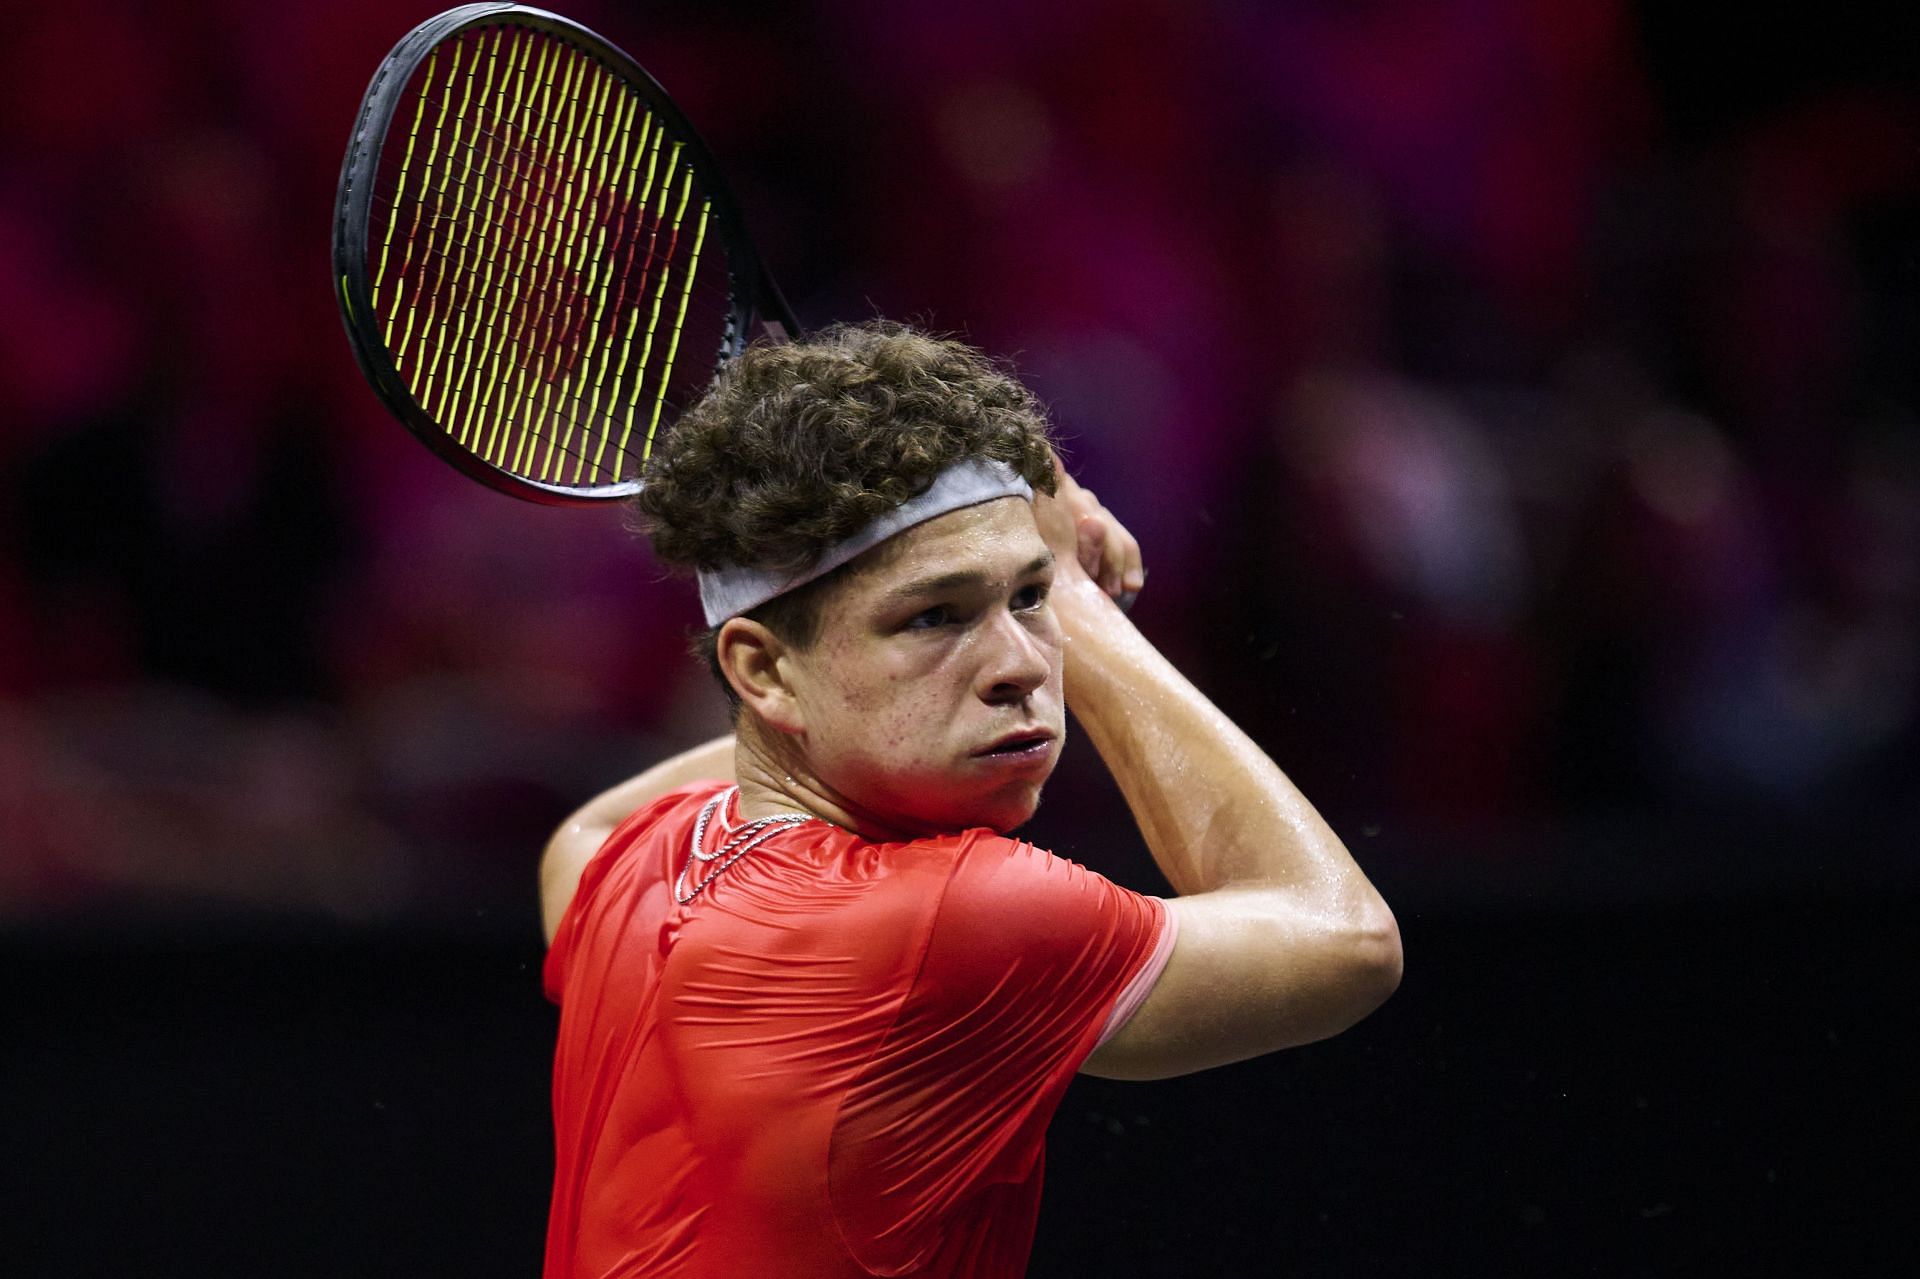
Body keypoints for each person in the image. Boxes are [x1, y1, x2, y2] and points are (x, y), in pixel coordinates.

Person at [536, 322, 1402, 1278]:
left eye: (1024, 600)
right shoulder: (950, 917)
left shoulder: (623, 869)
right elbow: (1345, 939)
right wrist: (1075, 587)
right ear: (762, 669)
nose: (1023, 667)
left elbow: (598, 818)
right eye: (935, 616)